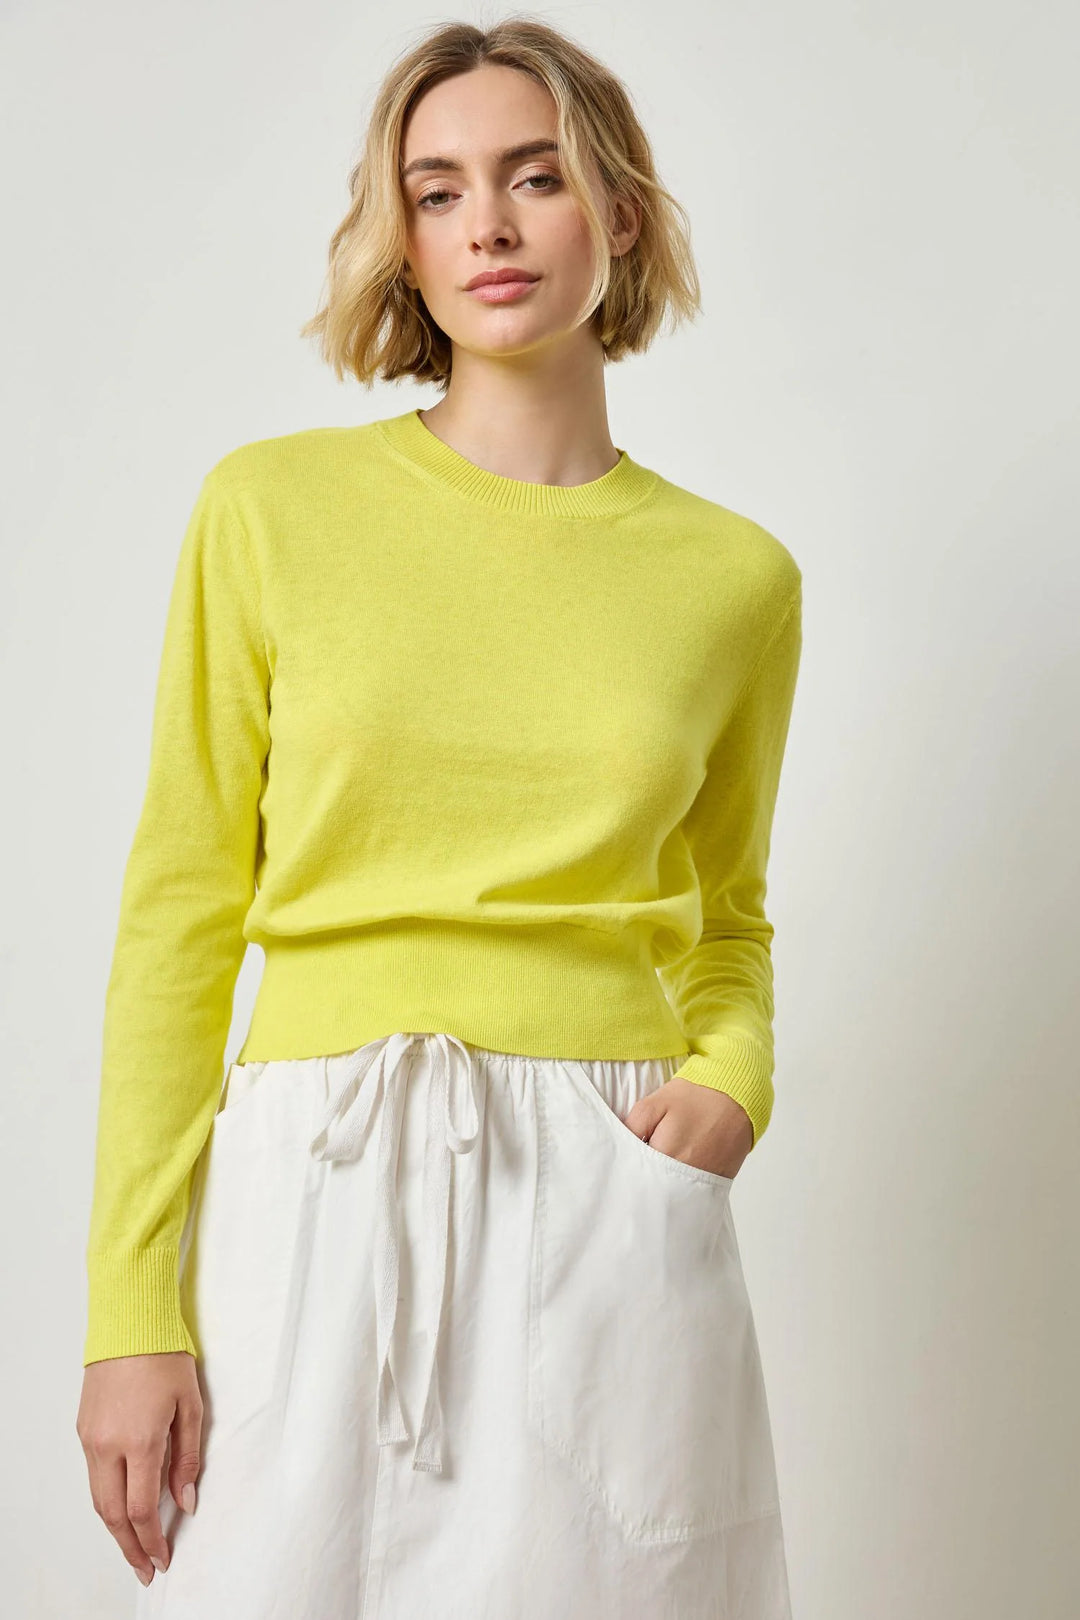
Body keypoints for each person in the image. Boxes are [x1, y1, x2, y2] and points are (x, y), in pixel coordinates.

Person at [76, 17, 803, 1619]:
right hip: (312, 1183)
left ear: (618, 213)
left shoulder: (734, 581)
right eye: (439, 190)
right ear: (401, 238)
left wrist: (732, 1082)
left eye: (537, 178)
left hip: (606, 1186)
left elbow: (731, 919)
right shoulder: (271, 510)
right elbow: (181, 913)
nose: (489, 226)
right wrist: (131, 1312)